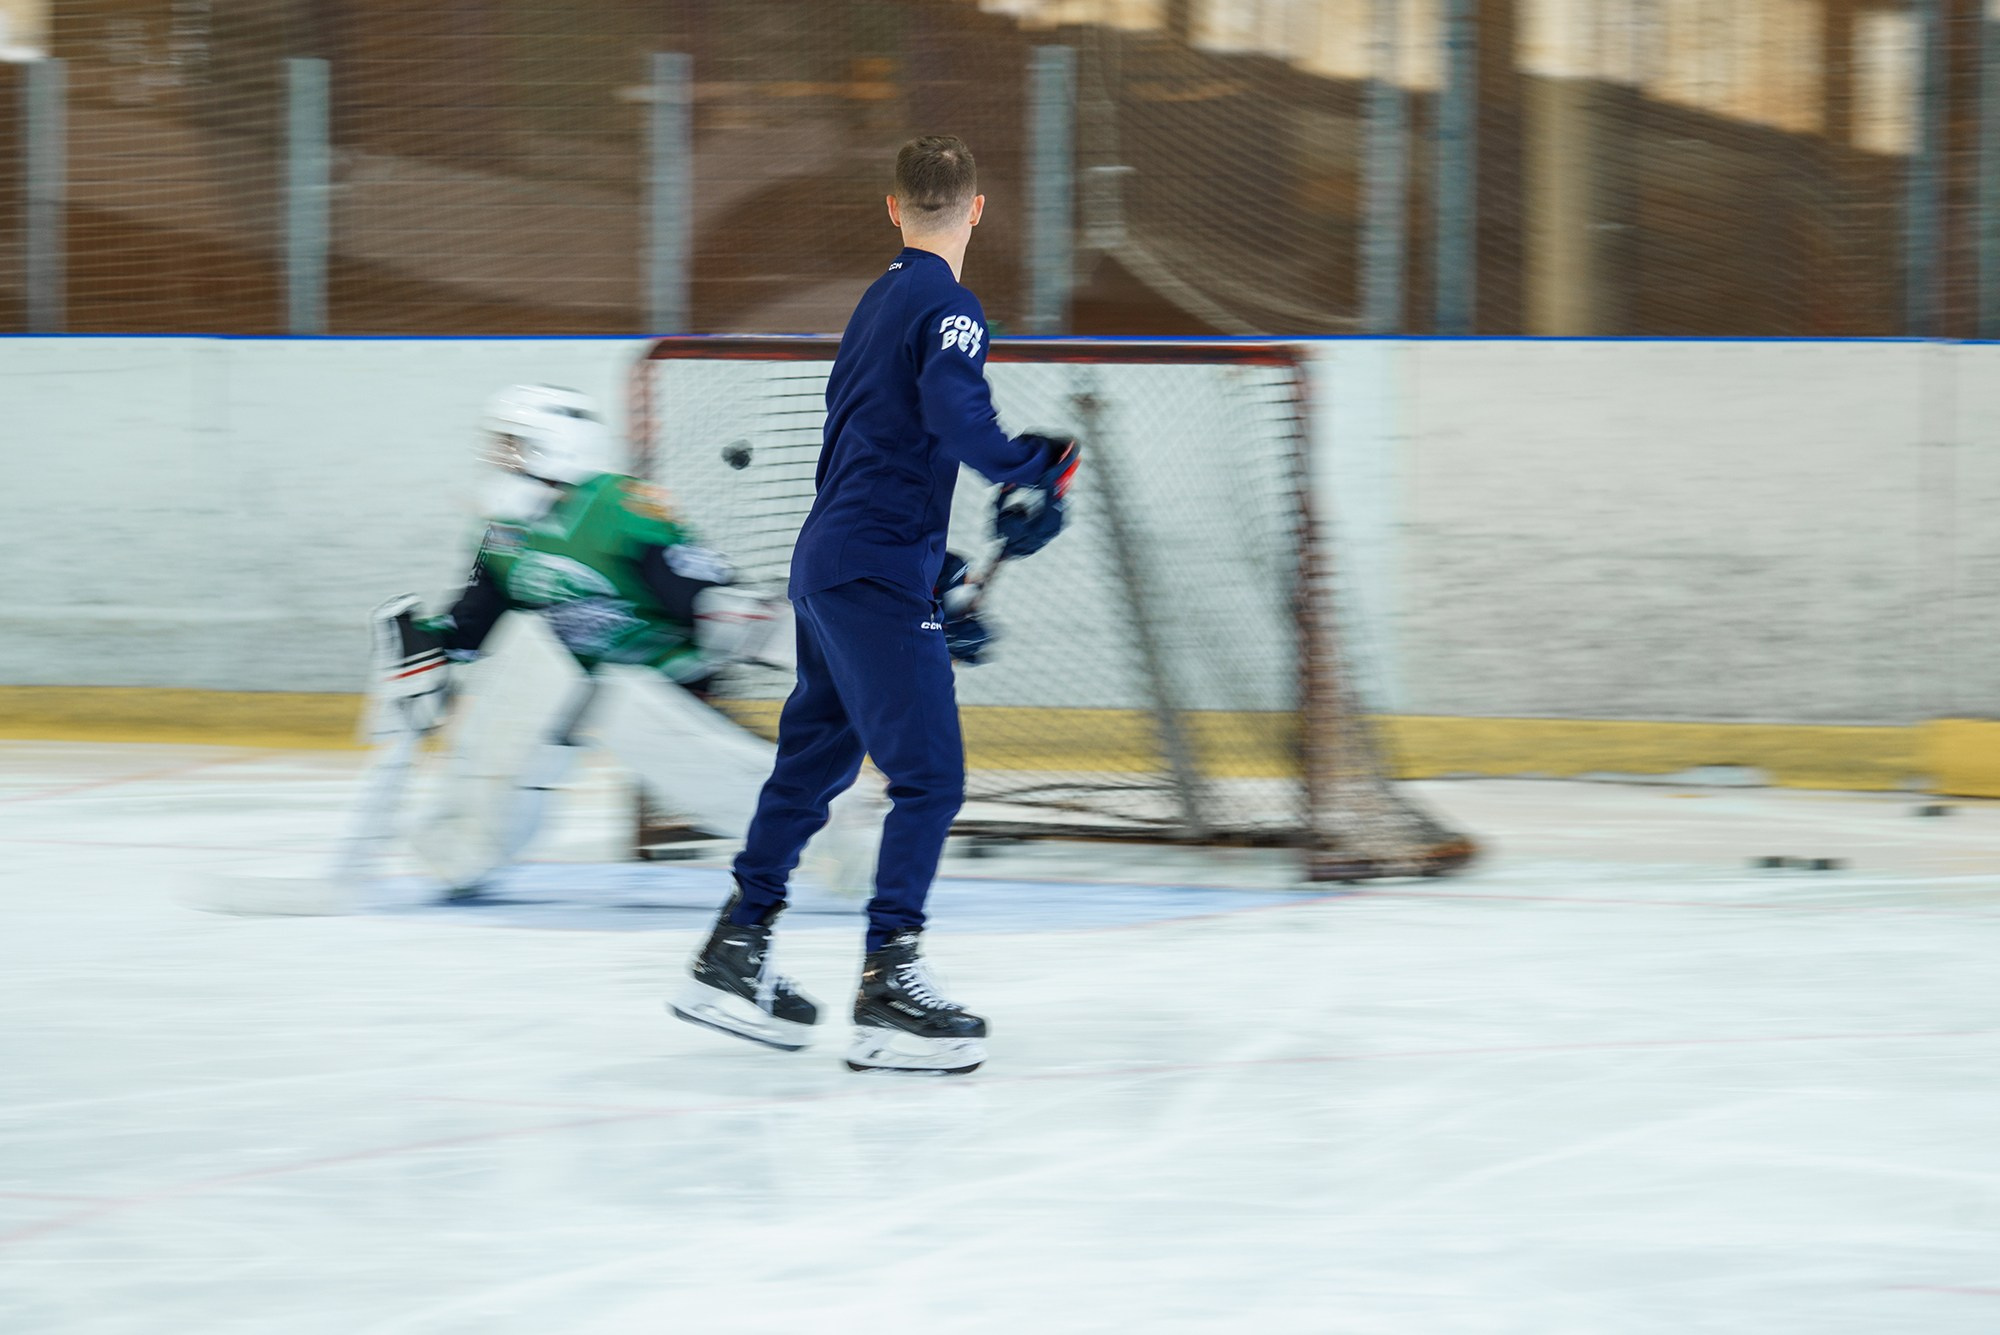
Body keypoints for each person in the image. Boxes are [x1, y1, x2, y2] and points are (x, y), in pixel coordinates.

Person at [671, 136, 1078, 1074]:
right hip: (872, 571)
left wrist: (935, 565)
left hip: (834, 564)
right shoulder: (951, 305)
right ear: (975, 211)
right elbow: (950, 412)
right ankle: (890, 983)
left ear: (891, 208)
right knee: (930, 778)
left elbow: (877, 443)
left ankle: (737, 946)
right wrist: (1032, 464)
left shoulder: (876, 303)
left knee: (812, 762)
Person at [368, 383, 899, 897]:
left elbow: (702, 595)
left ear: (550, 445)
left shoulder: (618, 504)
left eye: (510, 444)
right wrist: (426, 647)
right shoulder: (502, 533)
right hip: (580, 678)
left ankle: (838, 817)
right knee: (516, 696)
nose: (499, 458)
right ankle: (463, 845)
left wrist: (820, 638)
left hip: (663, 672)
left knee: (673, 753)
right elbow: (473, 625)